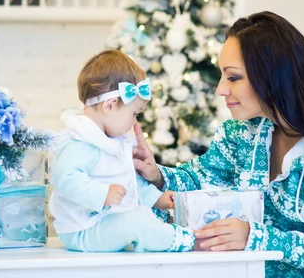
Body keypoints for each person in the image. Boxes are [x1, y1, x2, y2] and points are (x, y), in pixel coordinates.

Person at [133, 11, 304, 277]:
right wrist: (155, 174)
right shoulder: (244, 134)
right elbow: (200, 181)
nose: (220, 89)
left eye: (233, 77)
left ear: (271, 76)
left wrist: (257, 237)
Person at [49, 50, 195, 253]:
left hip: (107, 222)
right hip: (83, 229)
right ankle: (184, 239)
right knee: (134, 224)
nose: (135, 122)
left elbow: (131, 184)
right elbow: (65, 179)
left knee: (141, 219)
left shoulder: (115, 141)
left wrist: (157, 198)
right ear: (110, 106)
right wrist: (101, 194)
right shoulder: (81, 141)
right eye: (134, 114)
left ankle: (168, 234)